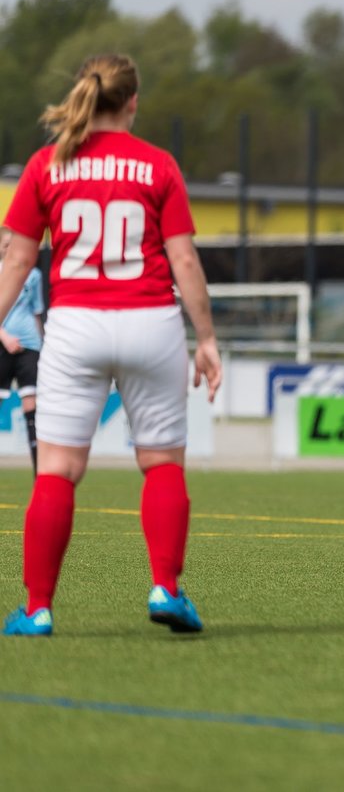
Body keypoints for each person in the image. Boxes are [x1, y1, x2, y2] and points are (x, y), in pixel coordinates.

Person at [0, 54, 222, 637]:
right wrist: (207, 339)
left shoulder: (48, 164)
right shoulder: (159, 166)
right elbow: (183, 260)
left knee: (57, 470)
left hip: (75, 328)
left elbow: (19, 259)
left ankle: (38, 608)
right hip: (151, 322)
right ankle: (166, 589)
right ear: (133, 101)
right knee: (161, 463)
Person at [0, 228, 44, 472]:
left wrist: (42, 343)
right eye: (6, 244)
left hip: (29, 346)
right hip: (3, 343)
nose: (10, 248)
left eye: (13, 244)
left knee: (32, 406)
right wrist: (5, 337)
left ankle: (40, 472)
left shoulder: (33, 275)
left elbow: (36, 312)